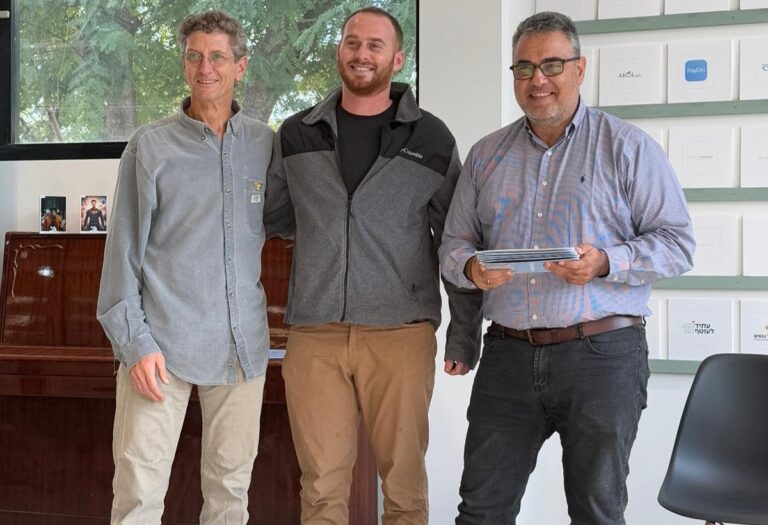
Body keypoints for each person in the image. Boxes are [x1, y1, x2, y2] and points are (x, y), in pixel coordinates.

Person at [439, 11, 696, 525]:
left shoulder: (627, 147)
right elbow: (453, 243)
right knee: (481, 510)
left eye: (552, 64)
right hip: (508, 355)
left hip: (602, 354)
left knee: (596, 512)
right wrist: (471, 267)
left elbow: (678, 244)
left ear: (580, 69)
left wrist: (606, 262)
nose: (538, 80)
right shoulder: (486, 154)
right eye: (524, 68)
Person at [264, 6, 482, 525]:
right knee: (320, 489)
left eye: (375, 45)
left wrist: (464, 335)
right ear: (340, 50)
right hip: (315, 334)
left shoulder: (431, 138)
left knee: (404, 486)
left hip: (400, 334)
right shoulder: (296, 133)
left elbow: (457, 239)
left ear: (397, 58)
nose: (362, 53)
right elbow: (275, 215)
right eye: (352, 42)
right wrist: (333, 238)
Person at [96, 10, 273, 524]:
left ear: (240, 66)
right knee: (138, 495)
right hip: (160, 352)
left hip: (242, 348)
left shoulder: (266, 145)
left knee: (229, 495)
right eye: (194, 56)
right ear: (184, 64)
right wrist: (136, 346)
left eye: (217, 56)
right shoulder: (149, 147)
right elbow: (121, 256)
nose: (205, 67)